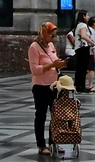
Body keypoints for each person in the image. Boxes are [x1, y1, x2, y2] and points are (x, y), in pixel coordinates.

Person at [28, 22, 67, 156]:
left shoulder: (50, 45)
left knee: (56, 115)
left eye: (55, 36)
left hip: (54, 84)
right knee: (41, 115)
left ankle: (54, 142)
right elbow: (34, 69)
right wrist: (52, 65)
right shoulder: (34, 47)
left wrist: (59, 64)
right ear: (44, 34)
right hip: (40, 86)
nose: (54, 38)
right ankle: (41, 145)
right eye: (52, 35)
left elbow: (54, 59)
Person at [72, 11, 93, 94]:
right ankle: (81, 86)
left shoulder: (78, 25)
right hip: (83, 47)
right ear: (83, 16)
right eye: (87, 15)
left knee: (80, 67)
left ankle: (79, 85)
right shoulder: (83, 25)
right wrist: (91, 42)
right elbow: (83, 36)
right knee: (83, 67)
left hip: (79, 48)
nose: (88, 17)